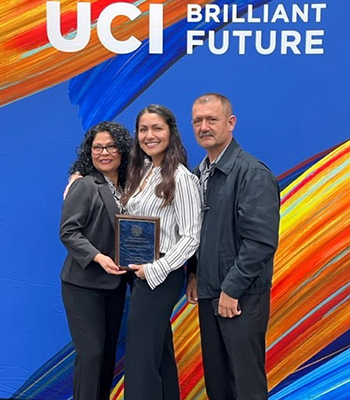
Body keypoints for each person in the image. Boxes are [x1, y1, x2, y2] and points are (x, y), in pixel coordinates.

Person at [186, 93, 280, 400]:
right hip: (210, 293)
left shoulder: (251, 173)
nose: (204, 127)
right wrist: (194, 274)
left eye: (212, 119)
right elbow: (200, 233)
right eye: (198, 121)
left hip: (240, 296)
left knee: (245, 383)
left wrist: (232, 289)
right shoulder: (199, 175)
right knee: (218, 384)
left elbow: (260, 242)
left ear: (231, 123)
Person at [122, 104, 201, 400]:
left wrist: (154, 269)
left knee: (141, 357)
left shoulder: (182, 178)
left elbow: (192, 236)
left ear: (171, 132)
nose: (149, 135)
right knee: (159, 352)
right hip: (138, 275)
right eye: (143, 129)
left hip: (160, 276)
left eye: (157, 128)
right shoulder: (141, 173)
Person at [59, 121, 133, 400]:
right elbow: (68, 232)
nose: (104, 152)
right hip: (83, 286)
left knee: (107, 356)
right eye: (97, 147)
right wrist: (98, 257)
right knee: (91, 355)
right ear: (88, 152)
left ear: (123, 150)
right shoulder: (84, 185)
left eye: (111, 146)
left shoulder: (129, 186)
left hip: (114, 286)